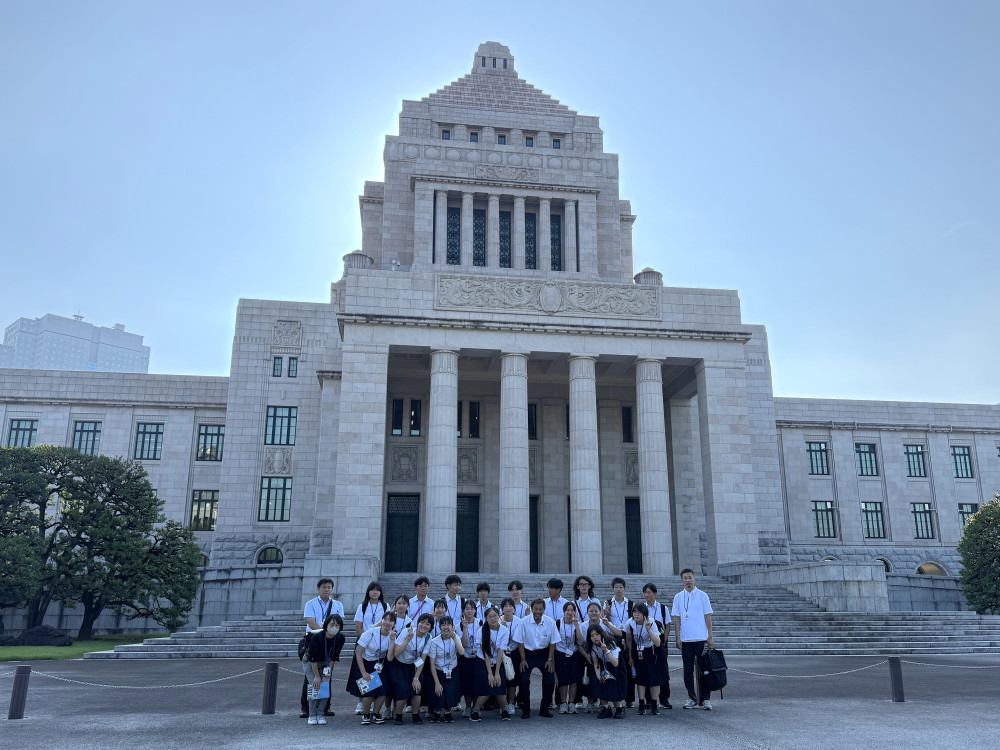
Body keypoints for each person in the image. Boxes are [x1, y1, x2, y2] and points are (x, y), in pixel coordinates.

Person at [671, 568, 715, 711]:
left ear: (694, 579)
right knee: (687, 671)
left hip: (701, 639)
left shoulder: (702, 596)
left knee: (704, 670)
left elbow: (708, 617)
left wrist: (710, 637)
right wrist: (678, 638)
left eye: (690, 577)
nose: (688, 580)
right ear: (682, 581)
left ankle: (706, 698)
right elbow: (676, 619)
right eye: (685, 578)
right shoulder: (678, 597)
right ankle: (692, 697)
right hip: (686, 640)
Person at [301, 578, 344, 718]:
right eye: (324, 587)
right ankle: (306, 708)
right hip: (314, 639)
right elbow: (310, 621)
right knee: (311, 678)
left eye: (329, 587)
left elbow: (339, 622)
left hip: (331, 641)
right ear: (318, 589)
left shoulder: (337, 604)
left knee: (327, 675)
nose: (327, 590)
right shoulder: (311, 603)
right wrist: (325, 633)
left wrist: (330, 634)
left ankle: (325, 707)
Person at [347, 611, 395, 725]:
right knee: (368, 690)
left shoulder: (392, 635)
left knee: (383, 691)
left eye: (391, 620)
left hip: (380, 664)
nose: (387, 622)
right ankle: (366, 714)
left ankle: (376, 713)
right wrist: (363, 672)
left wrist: (393, 641)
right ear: (382, 620)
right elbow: (358, 653)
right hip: (365, 662)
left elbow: (389, 658)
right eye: (385, 619)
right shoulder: (370, 633)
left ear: (394, 624)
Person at [515, 598, 560, 718]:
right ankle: (526, 709)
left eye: (540, 609)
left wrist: (550, 660)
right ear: (531, 609)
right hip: (528, 654)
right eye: (535, 609)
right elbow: (520, 642)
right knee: (523, 680)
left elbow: (553, 642)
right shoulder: (523, 622)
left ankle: (544, 709)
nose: (538, 612)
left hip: (544, 653)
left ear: (544, 610)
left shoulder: (550, 622)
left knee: (550, 680)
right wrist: (523, 660)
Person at [388, 612, 434, 724]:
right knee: (403, 690)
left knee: (417, 690)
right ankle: (398, 715)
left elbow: (422, 659)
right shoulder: (407, 631)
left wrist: (416, 678)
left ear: (431, 627)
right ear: (417, 623)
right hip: (400, 664)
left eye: (428, 624)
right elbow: (397, 654)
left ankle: (415, 714)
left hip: (414, 666)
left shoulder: (428, 637)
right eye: (422, 622)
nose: (424, 625)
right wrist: (408, 640)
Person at [470, 607, 511, 722]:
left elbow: (500, 652)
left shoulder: (504, 630)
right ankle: (475, 711)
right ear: (486, 619)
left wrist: (496, 673)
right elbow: (486, 653)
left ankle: (504, 710)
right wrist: (490, 673)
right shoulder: (481, 631)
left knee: (499, 684)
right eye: (490, 616)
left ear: (499, 616)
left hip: (498, 661)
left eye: (495, 615)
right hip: (483, 661)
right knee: (487, 686)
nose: (493, 618)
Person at [625, 602, 666, 715]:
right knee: (640, 679)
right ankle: (641, 704)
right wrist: (630, 655)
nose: (636, 614)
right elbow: (628, 639)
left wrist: (649, 629)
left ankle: (654, 704)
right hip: (638, 651)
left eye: (639, 612)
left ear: (645, 614)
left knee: (654, 679)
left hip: (652, 652)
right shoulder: (630, 623)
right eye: (634, 612)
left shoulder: (651, 622)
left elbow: (658, 643)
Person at [304, 613, 345, 725]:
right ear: (326, 625)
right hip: (311, 662)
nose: (334, 627)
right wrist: (317, 677)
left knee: (325, 686)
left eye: (337, 625)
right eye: (332, 624)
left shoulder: (340, 638)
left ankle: (320, 713)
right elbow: (313, 659)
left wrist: (327, 675)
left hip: (326, 663)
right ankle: (312, 715)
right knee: (315, 685)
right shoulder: (317, 638)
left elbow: (333, 657)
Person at [353, 581, 387, 715]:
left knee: (376, 675)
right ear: (368, 592)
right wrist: (365, 642)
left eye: (378, 590)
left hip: (380, 645)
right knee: (362, 675)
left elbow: (387, 622)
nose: (375, 592)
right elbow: (358, 627)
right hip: (364, 643)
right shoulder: (362, 606)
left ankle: (372, 704)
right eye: (372, 590)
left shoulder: (385, 606)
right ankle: (361, 703)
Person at [427, 615, 465, 723]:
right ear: (439, 627)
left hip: (452, 669)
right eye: (443, 625)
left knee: (451, 691)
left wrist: (454, 638)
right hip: (439, 670)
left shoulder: (455, 637)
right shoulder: (434, 641)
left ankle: (448, 712)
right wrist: (437, 682)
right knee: (439, 691)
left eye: (448, 624)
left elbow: (462, 652)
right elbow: (432, 663)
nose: (446, 627)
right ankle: (437, 712)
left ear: (453, 626)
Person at [604, 576, 634, 707]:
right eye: (616, 587)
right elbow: (605, 621)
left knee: (628, 667)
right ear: (613, 589)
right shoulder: (608, 603)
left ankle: (629, 699)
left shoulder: (631, 604)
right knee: (614, 668)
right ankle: (615, 697)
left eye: (621, 587)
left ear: (624, 588)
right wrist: (608, 614)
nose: (618, 589)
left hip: (626, 637)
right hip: (612, 638)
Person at [585, 624, 626, 719]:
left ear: (601, 634)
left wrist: (606, 650)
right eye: (592, 636)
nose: (595, 637)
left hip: (615, 665)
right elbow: (596, 663)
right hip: (604, 665)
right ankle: (606, 708)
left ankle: (619, 708)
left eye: (597, 634)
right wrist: (599, 676)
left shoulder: (610, 642)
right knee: (600, 684)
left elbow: (616, 663)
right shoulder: (592, 647)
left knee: (614, 685)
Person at [642, 582, 672, 709]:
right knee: (648, 671)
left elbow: (668, 626)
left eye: (649, 592)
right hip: (646, 645)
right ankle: (649, 699)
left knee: (663, 670)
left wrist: (663, 642)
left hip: (660, 644)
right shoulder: (640, 608)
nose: (647, 595)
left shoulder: (663, 608)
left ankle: (664, 698)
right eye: (645, 592)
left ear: (655, 593)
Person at [555, 601, 584, 714]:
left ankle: (571, 703)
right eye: (567, 610)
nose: (570, 612)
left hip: (573, 654)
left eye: (572, 610)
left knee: (573, 680)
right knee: (562, 680)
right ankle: (563, 703)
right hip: (560, 654)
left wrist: (576, 625)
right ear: (563, 612)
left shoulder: (577, 624)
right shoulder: (557, 623)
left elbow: (581, 641)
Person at [499, 598, 523, 716]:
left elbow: (520, 640)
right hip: (500, 653)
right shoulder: (497, 621)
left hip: (514, 652)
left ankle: (511, 703)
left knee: (512, 679)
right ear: (502, 608)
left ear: (514, 608)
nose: (508, 608)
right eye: (505, 606)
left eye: (510, 606)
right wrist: (502, 629)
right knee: (502, 678)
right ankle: (502, 704)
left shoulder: (519, 621)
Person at [458, 599, 479, 716]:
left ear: (475, 610)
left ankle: (476, 706)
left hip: (478, 657)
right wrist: (465, 628)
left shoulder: (481, 623)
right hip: (465, 657)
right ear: (463, 611)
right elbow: (464, 644)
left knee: (477, 682)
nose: (469, 611)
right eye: (467, 609)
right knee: (466, 683)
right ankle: (467, 706)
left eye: (472, 608)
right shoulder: (458, 625)